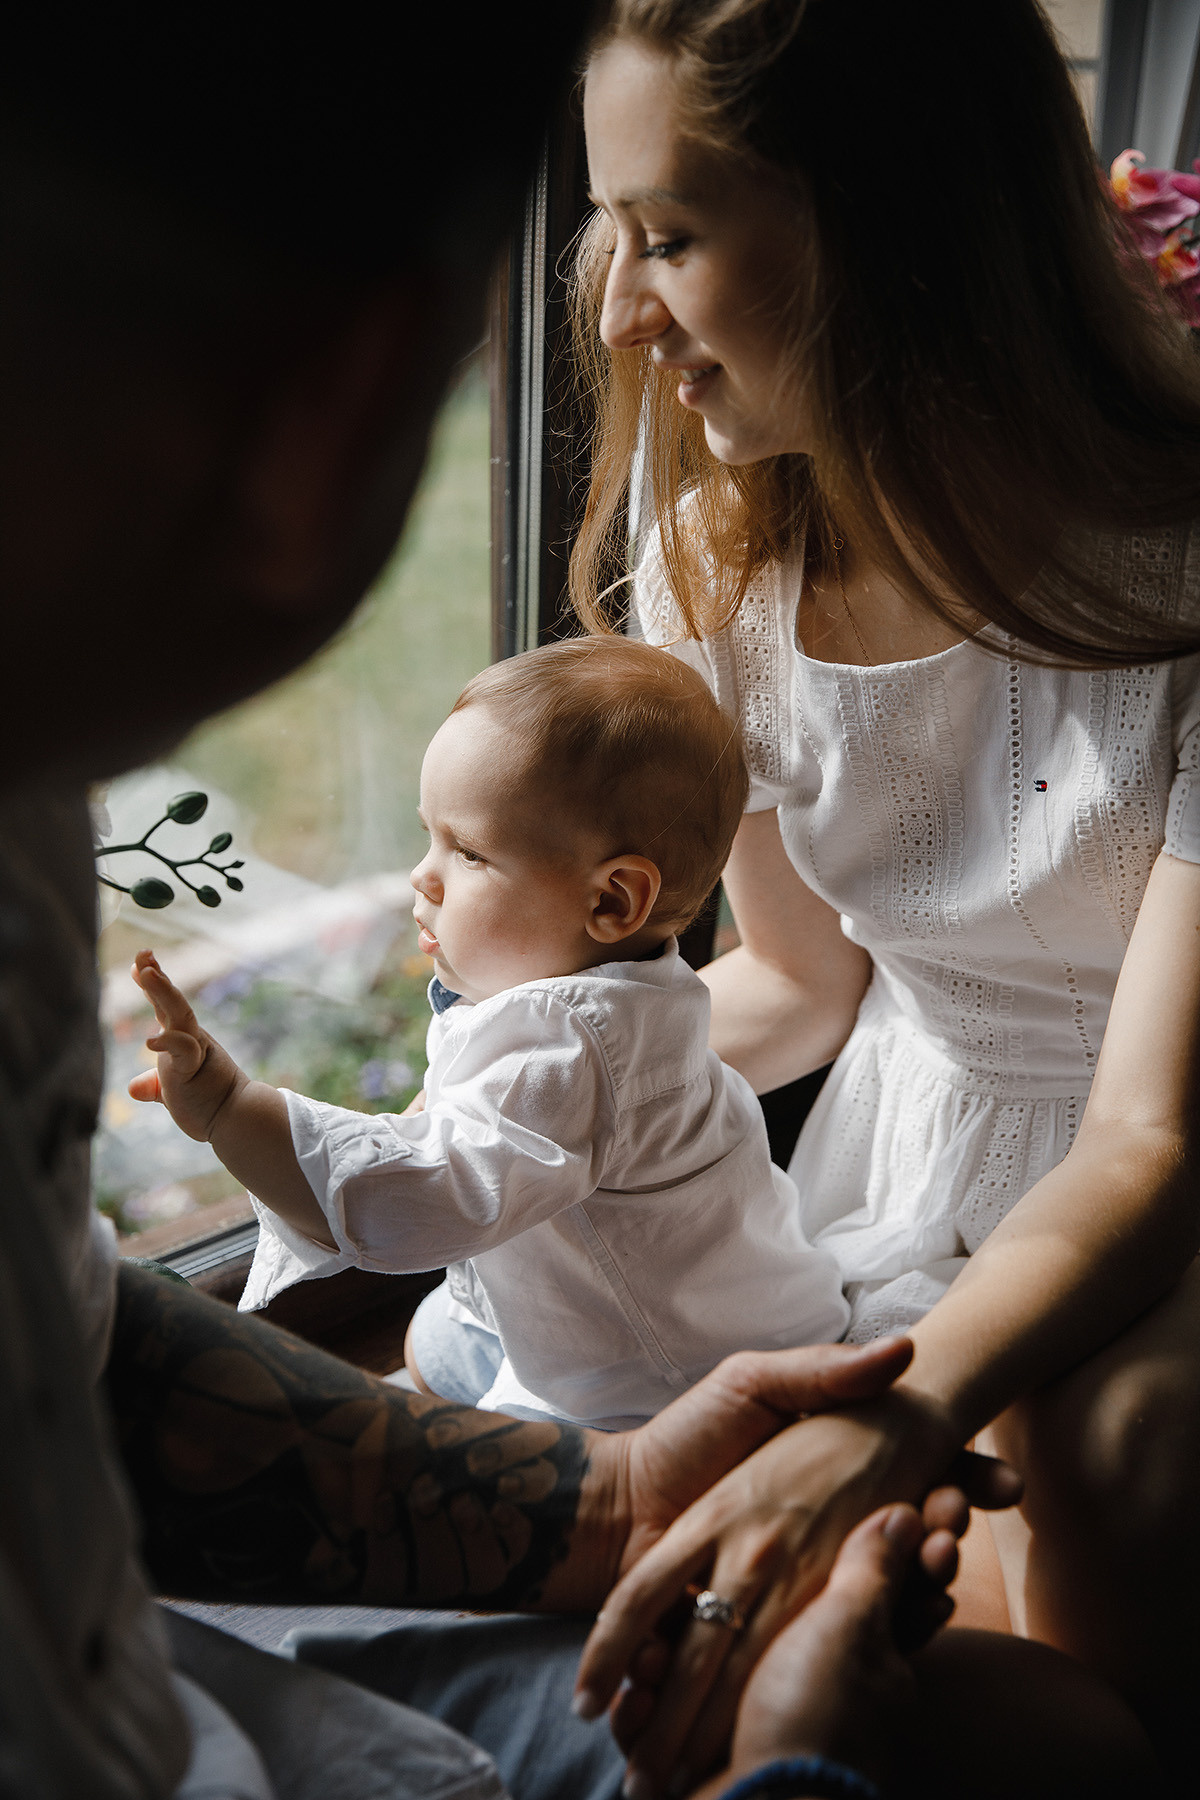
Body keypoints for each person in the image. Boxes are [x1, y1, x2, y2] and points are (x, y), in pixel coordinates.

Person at [567, 0, 1200, 1788]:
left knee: (1105, 1466)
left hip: (1154, 1185)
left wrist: (910, 1409)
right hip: (900, 1145)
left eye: (671, 237)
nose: (619, 310)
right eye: (613, 237)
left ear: (902, 224)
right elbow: (797, 985)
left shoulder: (1182, 583)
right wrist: (526, 1096)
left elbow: (1150, 1140)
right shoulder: (724, 568)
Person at [128, 636, 849, 1430]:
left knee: (492, 1487)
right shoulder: (626, 987)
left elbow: (428, 1195)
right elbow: (461, 1123)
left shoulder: (568, 1044)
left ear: (613, 902)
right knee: (435, 1344)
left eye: (467, 851)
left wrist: (231, 1109)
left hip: (661, 1378)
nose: (421, 874)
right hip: (708, 1297)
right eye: (429, 835)